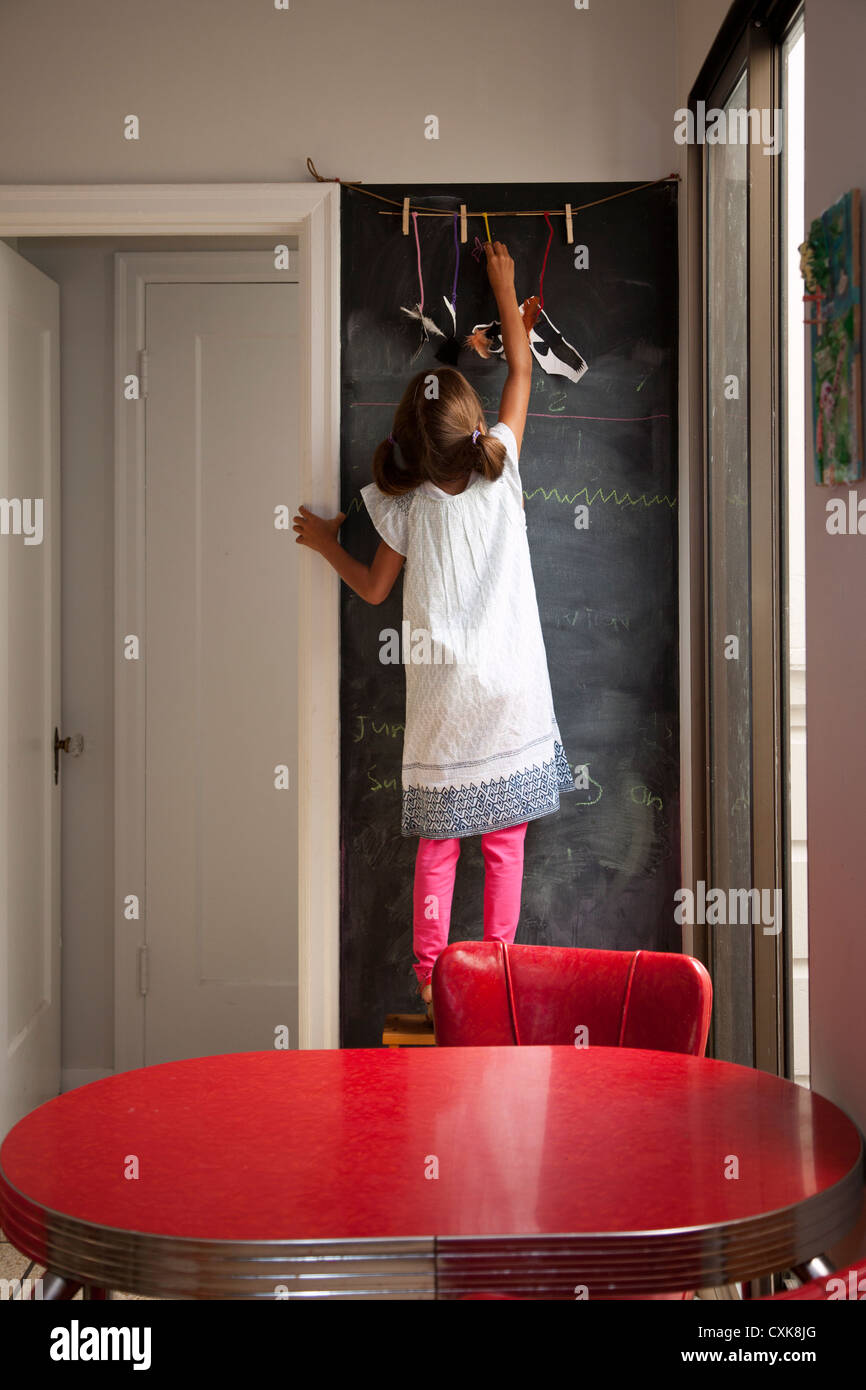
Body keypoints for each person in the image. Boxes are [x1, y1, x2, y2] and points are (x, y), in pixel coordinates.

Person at [293, 242, 574, 1016]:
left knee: (439, 848)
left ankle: (431, 977)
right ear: (476, 426)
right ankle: (500, 970)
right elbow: (521, 374)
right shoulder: (503, 468)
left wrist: (326, 546)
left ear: (412, 454)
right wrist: (507, 288)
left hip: (449, 709)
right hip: (512, 694)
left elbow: (376, 588)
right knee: (505, 844)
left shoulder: (406, 507)